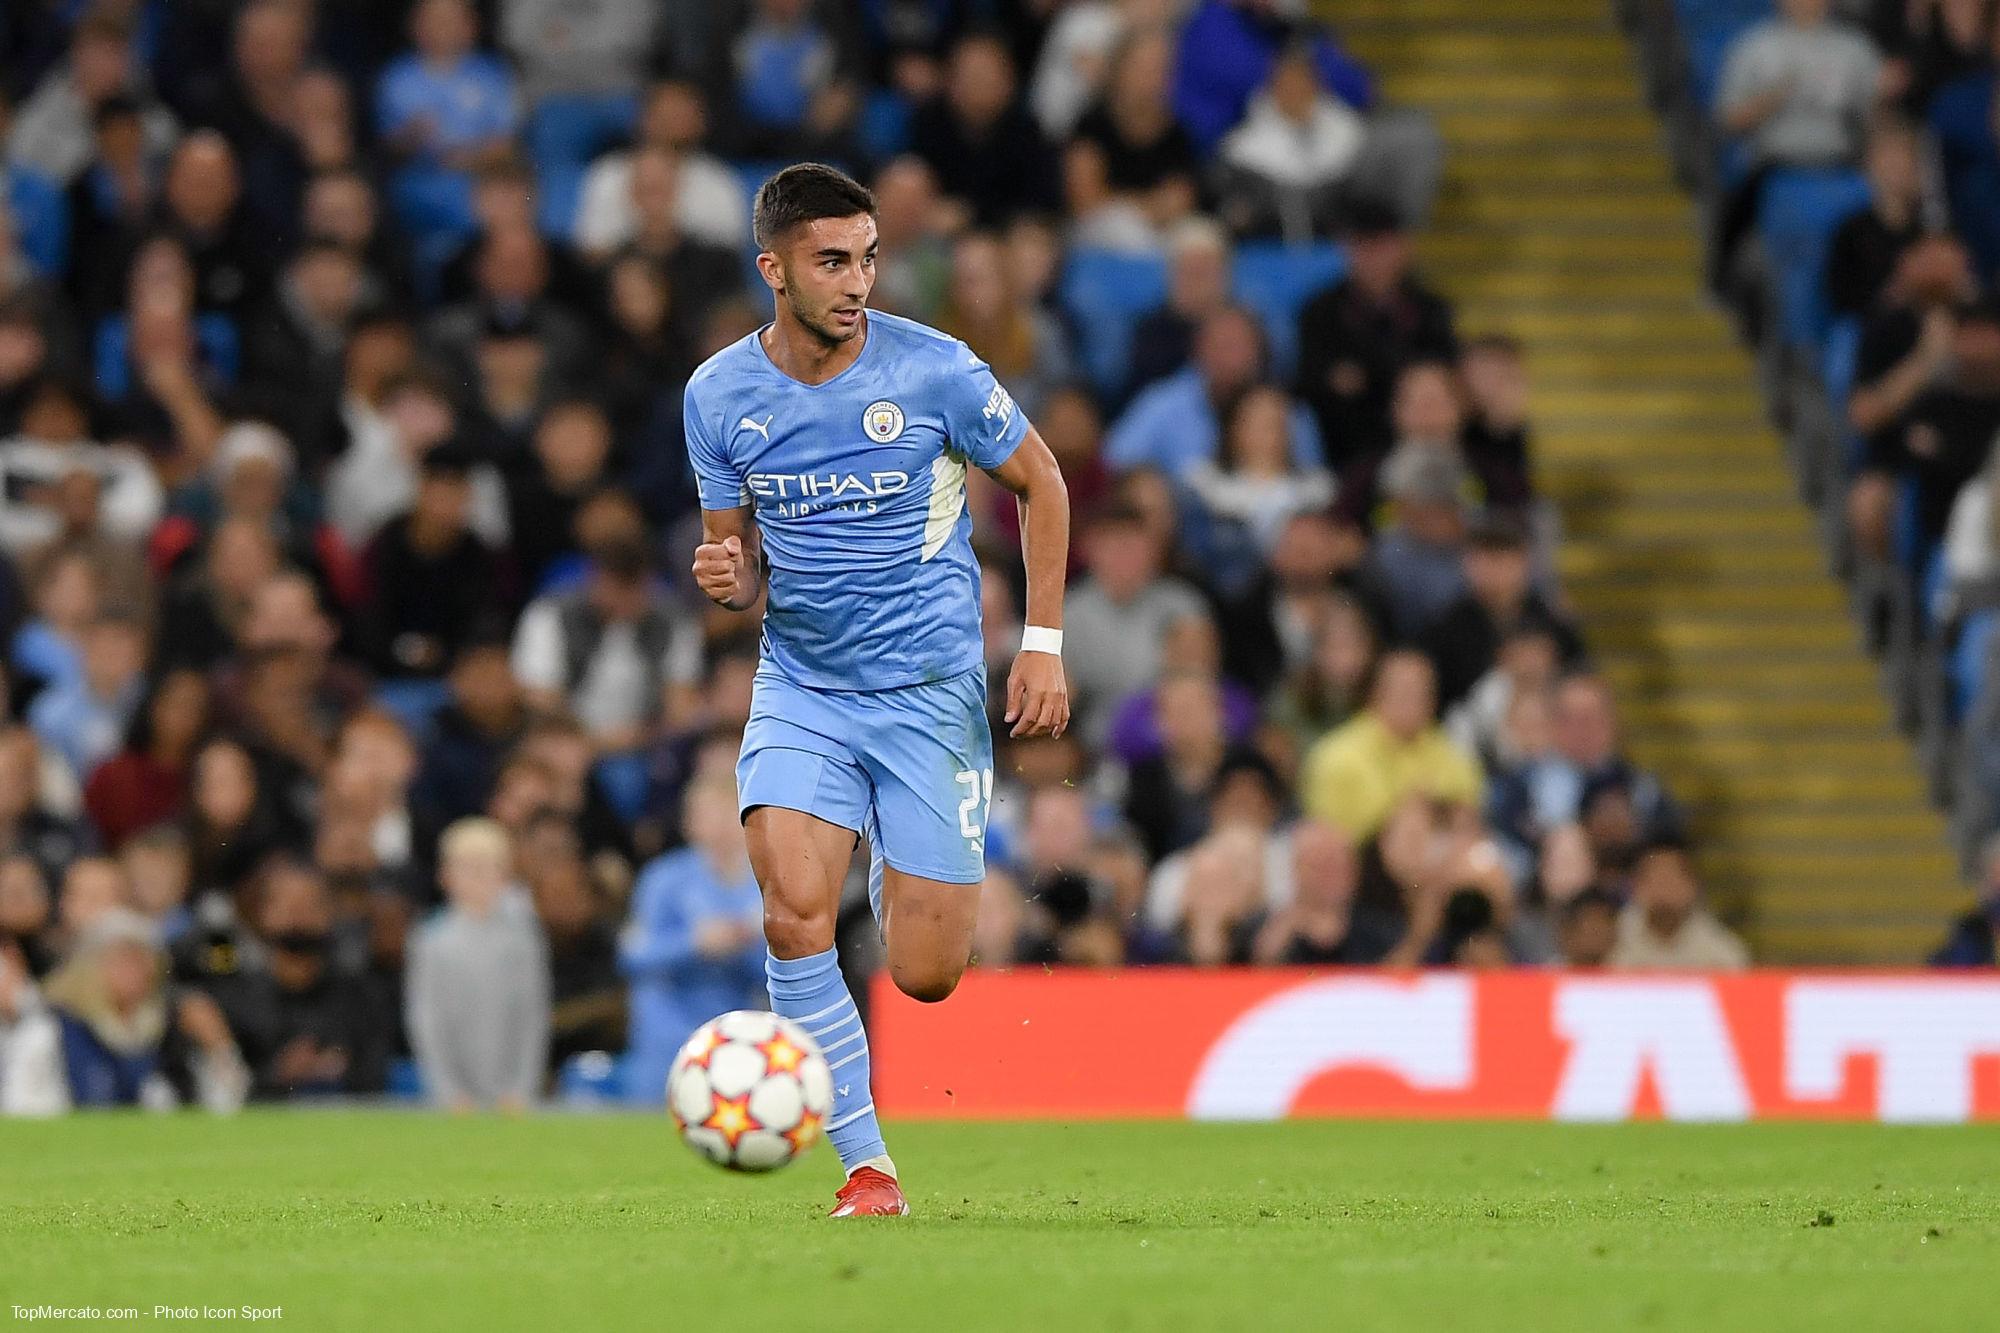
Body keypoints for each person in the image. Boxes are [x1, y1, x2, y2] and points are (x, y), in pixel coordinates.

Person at [683, 164, 1071, 1218]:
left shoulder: (935, 372)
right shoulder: (717, 395)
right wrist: (729, 578)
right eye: (829, 260)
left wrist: (1040, 642)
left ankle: (913, 889)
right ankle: (868, 1167)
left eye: (865, 257)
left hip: (929, 696)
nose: (856, 280)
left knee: (927, 973)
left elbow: (1044, 480)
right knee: (792, 911)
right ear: (773, 268)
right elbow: (737, 565)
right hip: (803, 686)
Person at [619, 773, 764, 1107]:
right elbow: (633, 954)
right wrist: (694, 944)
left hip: (733, 1038)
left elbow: (774, 972)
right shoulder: (664, 878)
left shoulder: (760, 884)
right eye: (708, 813)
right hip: (665, 1038)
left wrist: (745, 942)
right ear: (690, 823)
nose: (720, 825)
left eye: (728, 812)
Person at [404, 817, 550, 1111]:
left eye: (488, 868)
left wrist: (522, 1087)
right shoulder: (430, 939)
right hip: (454, 1098)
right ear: (445, 875)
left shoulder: (523, 938)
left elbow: (532, 1014)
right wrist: (447, 1090)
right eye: (468, 868)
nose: (479, 878)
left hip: (512, 1096)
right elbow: (426, 1018)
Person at [1301, 649, 1482, 841]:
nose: (1411, 701)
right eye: (1402, 691)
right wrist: (1400, 821)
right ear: (1375, 692)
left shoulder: (1453, 755)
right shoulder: (1334, 757)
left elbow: (1471, 823)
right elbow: (1325, 840)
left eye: (1422, 692)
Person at [1608, 839, 1750, 970]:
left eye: (1671, 879)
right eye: (1656, 879)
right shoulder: (1612, 941)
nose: (1664, 889)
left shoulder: (1721, 951)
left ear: (1693, 886)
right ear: (1636, 886)